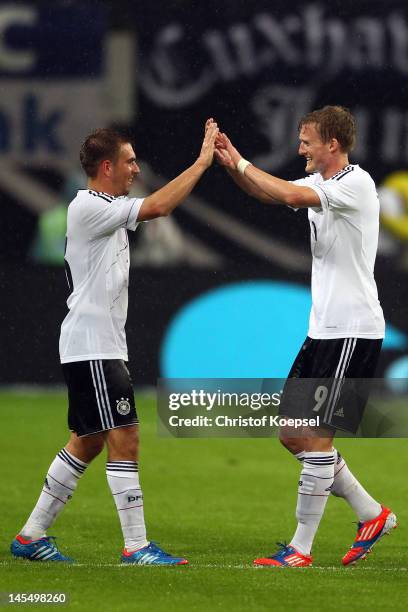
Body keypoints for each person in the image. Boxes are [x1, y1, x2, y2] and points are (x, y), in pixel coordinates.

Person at [11, 120, 219, 565]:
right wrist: (203, 162)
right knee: (125, 436)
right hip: (94, 346)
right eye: (128, 161)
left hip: (95, 344)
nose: (135, 169)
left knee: (86, 442)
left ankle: (30, 536)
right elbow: (160, 207)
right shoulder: (89, 207)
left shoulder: (105, 206)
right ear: (106, 166)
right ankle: (137, 546)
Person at [213, 106, 397, 567]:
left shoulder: (356, 183)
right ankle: (371, 513)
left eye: (307, 141)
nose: (300, 149)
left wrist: (240, 163)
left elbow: (290, 196)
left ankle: (300, 548)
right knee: (293, 434)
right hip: (323, 330)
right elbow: (271, 194)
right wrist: (233, 159)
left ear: (332, 144)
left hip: (353, 330)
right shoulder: (322, 184)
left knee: (316, 436)